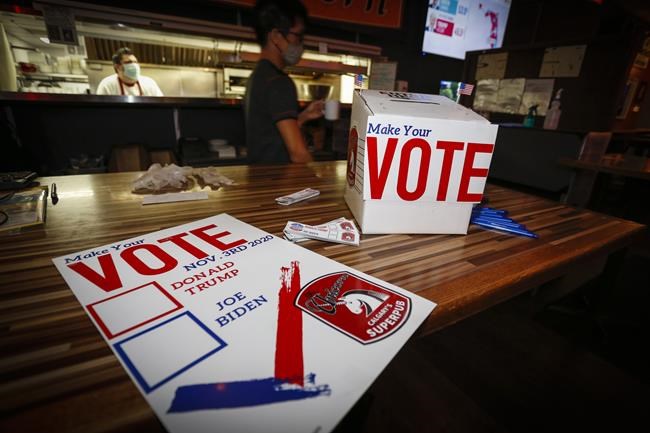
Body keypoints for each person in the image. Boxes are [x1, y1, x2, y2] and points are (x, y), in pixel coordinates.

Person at [245, 0, 324, 164]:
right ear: (276, 36)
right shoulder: (279, 82)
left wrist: (302, 117)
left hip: (262, 178)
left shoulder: (258, 75)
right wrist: (319, 182)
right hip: (279, 183)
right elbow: (298, 153)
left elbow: (269, 133)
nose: (301, 44)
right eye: (298, 36)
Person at [96, 47, 163, 96]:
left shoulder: (149, 83)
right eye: (129, 62)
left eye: (136, 62)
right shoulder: (107, 85)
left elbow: (162, 105)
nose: (135, 65)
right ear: (117, 67)